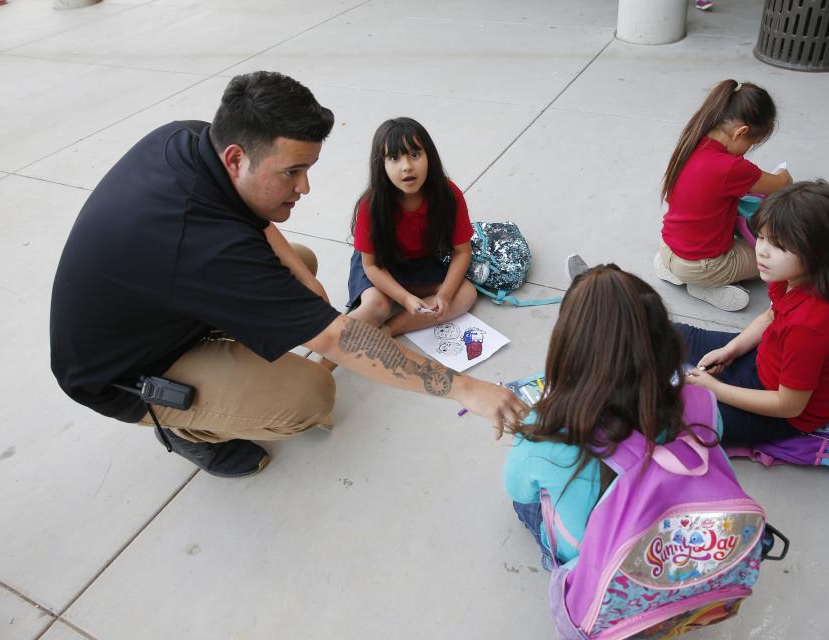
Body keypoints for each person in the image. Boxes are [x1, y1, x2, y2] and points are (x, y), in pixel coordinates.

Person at [50, 71, 525, 479]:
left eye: (309, 168)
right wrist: (466, 388)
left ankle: (234, 342)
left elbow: (255, 222)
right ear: (237, 158)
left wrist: (307, 284)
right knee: (310, 396)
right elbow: (340, 340)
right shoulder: (203, 247)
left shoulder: (193, 139)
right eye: (293, 172)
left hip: (156, 301)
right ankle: (188, 430)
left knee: (302, 262)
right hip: (120, 372)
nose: (305, 187)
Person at [503, 265, 722, 568]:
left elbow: (517, 489)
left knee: (523, 504)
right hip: (679, 546)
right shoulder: (702, 401)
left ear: (567, 351)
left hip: (599, 568)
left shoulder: (545, 429)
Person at [676, 180, 829, 446]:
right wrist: (731, 350)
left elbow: (788, 406)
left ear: (819, 250)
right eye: (761, 237)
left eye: (779, 246)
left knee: (668, 418)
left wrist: (714, 389)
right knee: (669, 334)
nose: (761, 250)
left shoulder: (811, 325)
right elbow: (770, 317)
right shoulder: (797, 276)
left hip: (780, 412)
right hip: (765, 362)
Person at [654, 79, 793, 311]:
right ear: (741, 132)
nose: (747, 151)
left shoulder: (692, 139)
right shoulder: (731, 168)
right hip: (704, 265)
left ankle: (673, 269)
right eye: (752, 144)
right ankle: (707, 284)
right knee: (783, 257)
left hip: (669, 246)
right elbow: (781, 184)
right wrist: (783, 172)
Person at [347, 118, 477, 335]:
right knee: (374, 307)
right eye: (394, 158)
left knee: (465, 293)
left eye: (415, 155)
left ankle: (386, 332)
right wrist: (404, 298)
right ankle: (320, 363)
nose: (406, 166)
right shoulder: (371, 204)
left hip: (422, 265)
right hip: (380, 266)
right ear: (381, 164)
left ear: (429, 157)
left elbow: (462, 252)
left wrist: (444, 295)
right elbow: (370, 266)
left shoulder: (449, 195)